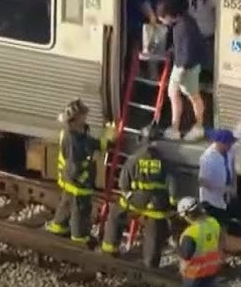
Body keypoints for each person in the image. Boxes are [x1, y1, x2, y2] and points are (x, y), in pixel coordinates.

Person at [100, 125, 175, 267]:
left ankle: (109, 250)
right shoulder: (164, 162)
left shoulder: (133, 159)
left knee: (116, 215)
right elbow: (172, 183)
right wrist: (170, 203)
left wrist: (129, 197)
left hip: (136, 201)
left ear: (141, 139)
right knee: (155, 230)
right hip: (157, 204)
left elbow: (123, 184)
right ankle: (151, 263)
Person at [46, 99, 102, 244]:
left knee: (67, 202)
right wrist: (84, 177)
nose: (86, 116)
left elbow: (89, 142)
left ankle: (58, 227)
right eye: (84, 114)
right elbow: (74, 165)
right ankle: (80, 237)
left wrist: (105, 142)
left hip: (71, 178)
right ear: (75, 118)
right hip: (76, 179)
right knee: (81, 208)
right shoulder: (72, 138)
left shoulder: (78, 131)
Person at [157, 0, 209, 140]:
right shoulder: (185, 22)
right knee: (176, 93)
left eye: (162, 17)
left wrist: (180, 71)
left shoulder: (182, 27)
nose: (161, 20)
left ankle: (195, 126)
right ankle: (178, 127)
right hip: (186, 65)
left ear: (168, 14)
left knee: (191, 96)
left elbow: (185, 51)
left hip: (186, 67)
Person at [176, 197, 223, 287]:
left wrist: (176, 247)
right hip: (211, 269)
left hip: (194, 274)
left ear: (187, 215)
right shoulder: (213, 223)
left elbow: (186, 255)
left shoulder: (191, 233)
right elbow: (220, 241)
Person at [198, 128, 237, 233]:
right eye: (229, 143)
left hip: (224, 199)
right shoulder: (207, 158)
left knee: (224, 227)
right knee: (214, 230)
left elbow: (232, 167)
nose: (231, 146)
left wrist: (234, 186)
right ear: (220, 143)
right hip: (212, 202)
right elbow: (202, 181)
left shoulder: (229, 151)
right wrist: (223, 189)